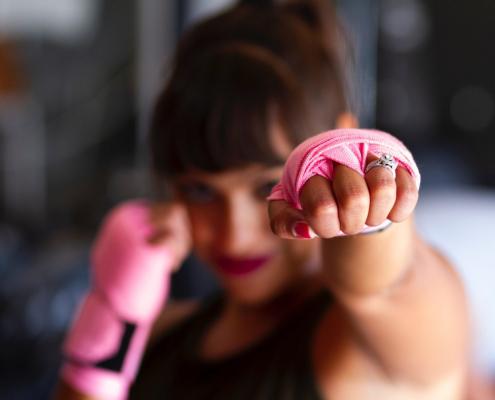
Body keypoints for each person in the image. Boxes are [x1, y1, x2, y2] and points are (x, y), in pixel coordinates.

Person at [53, 0, 485, 399]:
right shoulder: (159, 331)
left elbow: (388, 285)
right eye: (200, 190)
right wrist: (108, 317)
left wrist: (369, 201)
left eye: (266, 186)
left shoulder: (366, 349)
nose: (234, 234)